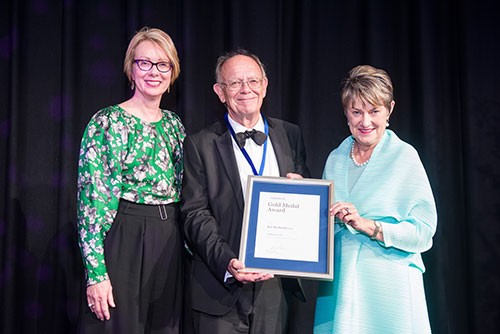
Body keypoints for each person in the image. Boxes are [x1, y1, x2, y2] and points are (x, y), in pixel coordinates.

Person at [181, 49, 310, 333]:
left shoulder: (290, 135)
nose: (245, 89)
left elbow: (307, 201)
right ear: (220, 91)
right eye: (235, 83)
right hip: (219, 287)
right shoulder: (199, 144)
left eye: (253, 81)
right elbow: (194, 214)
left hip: (274, 289)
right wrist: (228, 262)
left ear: (265, 85)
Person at [76, 27, 185, 333]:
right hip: (126, 235)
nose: (154, 72)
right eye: (144, 63)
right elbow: (91, 207)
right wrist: (96, 274)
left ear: (173, 71)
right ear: (131, 68)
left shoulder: (175, 125)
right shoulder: (107, 122)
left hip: (170, 237)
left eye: (163, 64)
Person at [314, 65, 438, 334]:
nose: (365, 121)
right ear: (345, 113)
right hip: (341, 288)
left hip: (389, 289)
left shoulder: (404, 157)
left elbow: (424, 232)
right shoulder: (335, 159)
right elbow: (323, 227)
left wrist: (369, 226)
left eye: (374, 111)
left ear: (389, 110)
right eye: (356, 112)